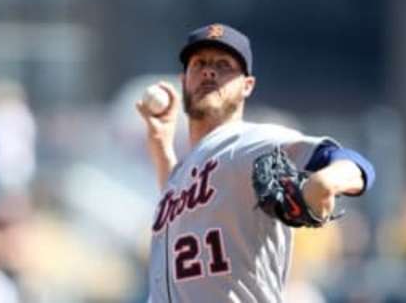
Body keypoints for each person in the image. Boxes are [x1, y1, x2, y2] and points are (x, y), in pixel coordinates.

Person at [137, 23, 375, 303]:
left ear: (247, 86)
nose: (209, 71)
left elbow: (356, 164)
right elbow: (184, 205)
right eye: (199, 63)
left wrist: (325, 182)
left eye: (224, 65)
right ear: (184, 79)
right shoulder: (186, 172)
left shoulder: (251, 142)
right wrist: (160, 144)